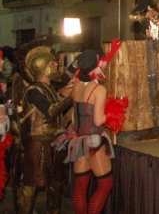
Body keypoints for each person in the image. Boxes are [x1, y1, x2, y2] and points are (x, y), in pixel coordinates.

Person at [55, 50, 115, 214]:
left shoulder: (76, 86)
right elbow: (98, 120)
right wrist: (112, 112)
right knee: (105, 184)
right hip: (94, 140)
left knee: (81, 187)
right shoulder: (98, 90)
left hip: (78, 140)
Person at [16, 48, 73, 214]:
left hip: (51, 141)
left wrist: (61, 95)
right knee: (30, 184)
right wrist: (71, 97)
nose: (56, 66)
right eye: (52, 63)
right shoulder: (34, 91)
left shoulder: (45, 88)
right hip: (36, 142)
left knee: (55, 183)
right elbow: (51, 111)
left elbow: (52, 108)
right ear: (44, 67)